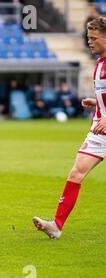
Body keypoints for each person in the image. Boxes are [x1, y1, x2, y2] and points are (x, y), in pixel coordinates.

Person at [33, 16, 106, 240]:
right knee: (76, 173)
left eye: (94, 38)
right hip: (99, 130)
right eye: (87, 38)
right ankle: (56, 226)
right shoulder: (99, 63)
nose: (89, 42)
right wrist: (98, 103)